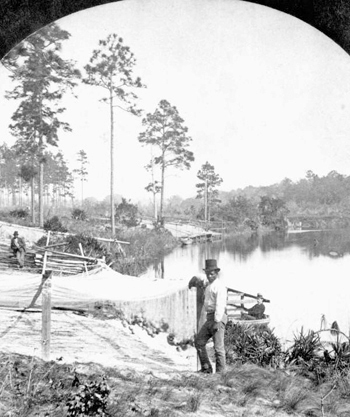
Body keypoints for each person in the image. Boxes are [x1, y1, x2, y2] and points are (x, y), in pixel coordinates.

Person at [190, 259, 228, 374]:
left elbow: (220, 305)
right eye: (208, 273)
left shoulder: (220, 287)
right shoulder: (208, 285)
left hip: (218, 317)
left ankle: (221, 374)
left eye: (212, 273)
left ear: (217, 273)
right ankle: (206, 368)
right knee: (199, 342)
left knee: (218, 348)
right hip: (209, 318)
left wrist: (217, 321)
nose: (210, 276)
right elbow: (200, 277)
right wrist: (192, 281)